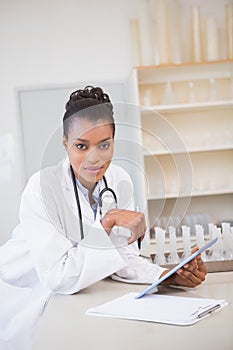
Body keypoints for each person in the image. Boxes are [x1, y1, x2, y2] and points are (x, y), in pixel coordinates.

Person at [0, 86, 207, 350]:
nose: (93, 158)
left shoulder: (119, 180)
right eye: (81, 146)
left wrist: (167, 276)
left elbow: (124, 257)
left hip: (73, 305)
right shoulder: (41, 187)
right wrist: (106, 223)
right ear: (65, 143)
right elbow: (59, 277)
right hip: (22, 300)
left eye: (104, 145)